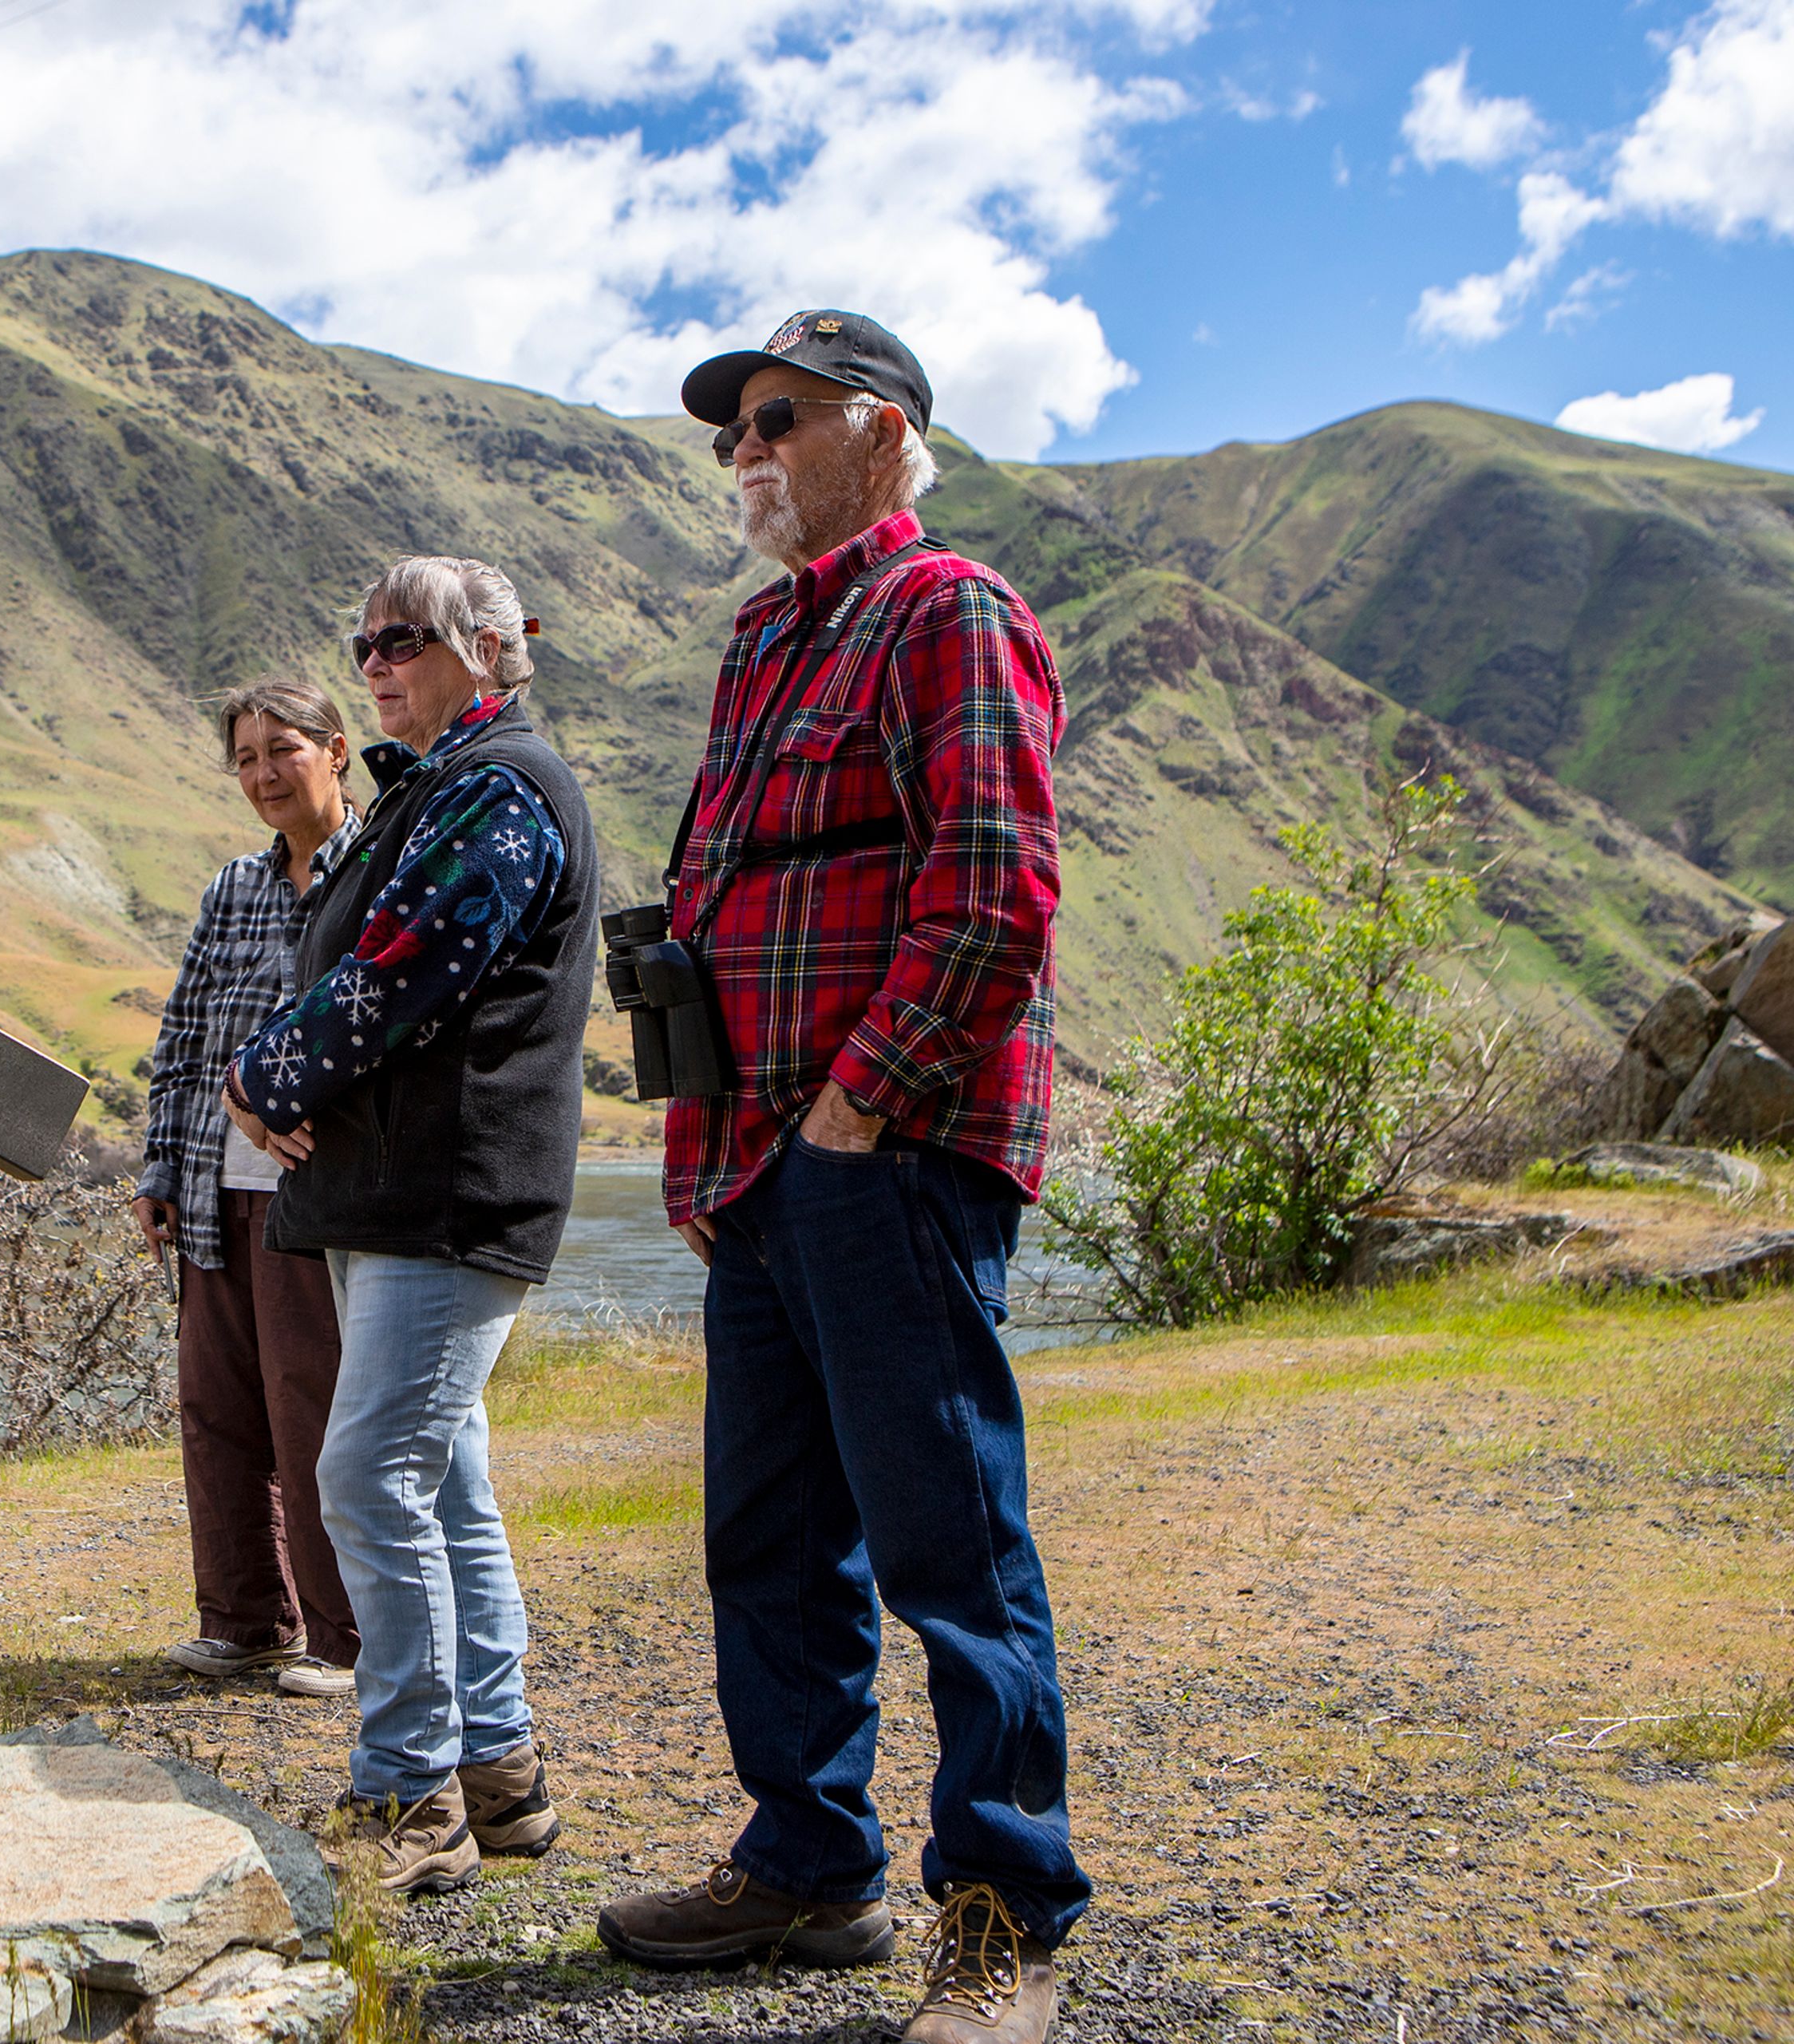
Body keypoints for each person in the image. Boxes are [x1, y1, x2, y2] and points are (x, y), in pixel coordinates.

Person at [591, 313, 1089, 2044]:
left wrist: (859, 1110)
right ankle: (809, 1862)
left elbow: (996, 891)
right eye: (731, 429)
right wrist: (719, 1149)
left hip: (886, 1154)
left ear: (880, 431)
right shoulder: (759, 644)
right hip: (759, 1167)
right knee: (770, 1540)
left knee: (951, 1542)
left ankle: (1001, 1913)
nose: (745, 450)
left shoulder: (949, 606)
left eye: (775, 419)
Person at [223, 555, 599, 1896]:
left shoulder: (498, 788)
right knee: (444, 1485)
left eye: (407, 639)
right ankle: (497, 1781)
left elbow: (401, 979)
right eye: (365, 639)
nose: (377, 660)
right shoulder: (437, 786)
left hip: (445, 1194)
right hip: (404, 1192)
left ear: (489, 648)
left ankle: (409, 1799)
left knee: (368, 1476)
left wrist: (260, 1078)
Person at [133, 680, 366, 1701]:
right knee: (216, 1407)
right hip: (207, 1186)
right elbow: (184, 1035)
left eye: (284, 750)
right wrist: (157, 1170)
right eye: (246, 758)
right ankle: (242, 1622)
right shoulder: (232, 884)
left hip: (315, 1189)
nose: (265, 773)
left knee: (312, 1408)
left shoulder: (382, 869)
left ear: (336, 750)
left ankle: (344, 1639)